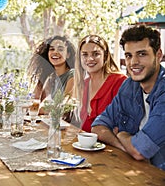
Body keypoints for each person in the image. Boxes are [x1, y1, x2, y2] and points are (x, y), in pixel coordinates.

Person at [91, 25, 165, 170]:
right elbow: (98, 127)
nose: (133, 62)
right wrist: (126, 147)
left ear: (158, 55)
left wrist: (123, 135)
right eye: (129, 55)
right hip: (135, 171)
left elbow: (140, 150)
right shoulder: (129, 85)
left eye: (142, 54)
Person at [74, 35, 127, 132]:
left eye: (96, 54)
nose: (90, 59)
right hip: (84, 144)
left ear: (105, 56)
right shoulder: (84, 84)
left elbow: (124, 126)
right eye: (85, 54)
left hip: (111, 146)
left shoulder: (119, 81)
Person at [28, 35, 76, 104]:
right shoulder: (50, 77)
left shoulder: (73, 75)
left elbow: (64, 106)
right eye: (52, 49)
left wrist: (40, 107)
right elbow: (34, 100)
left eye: (60, 49)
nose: (55, 52)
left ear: (68, 54)